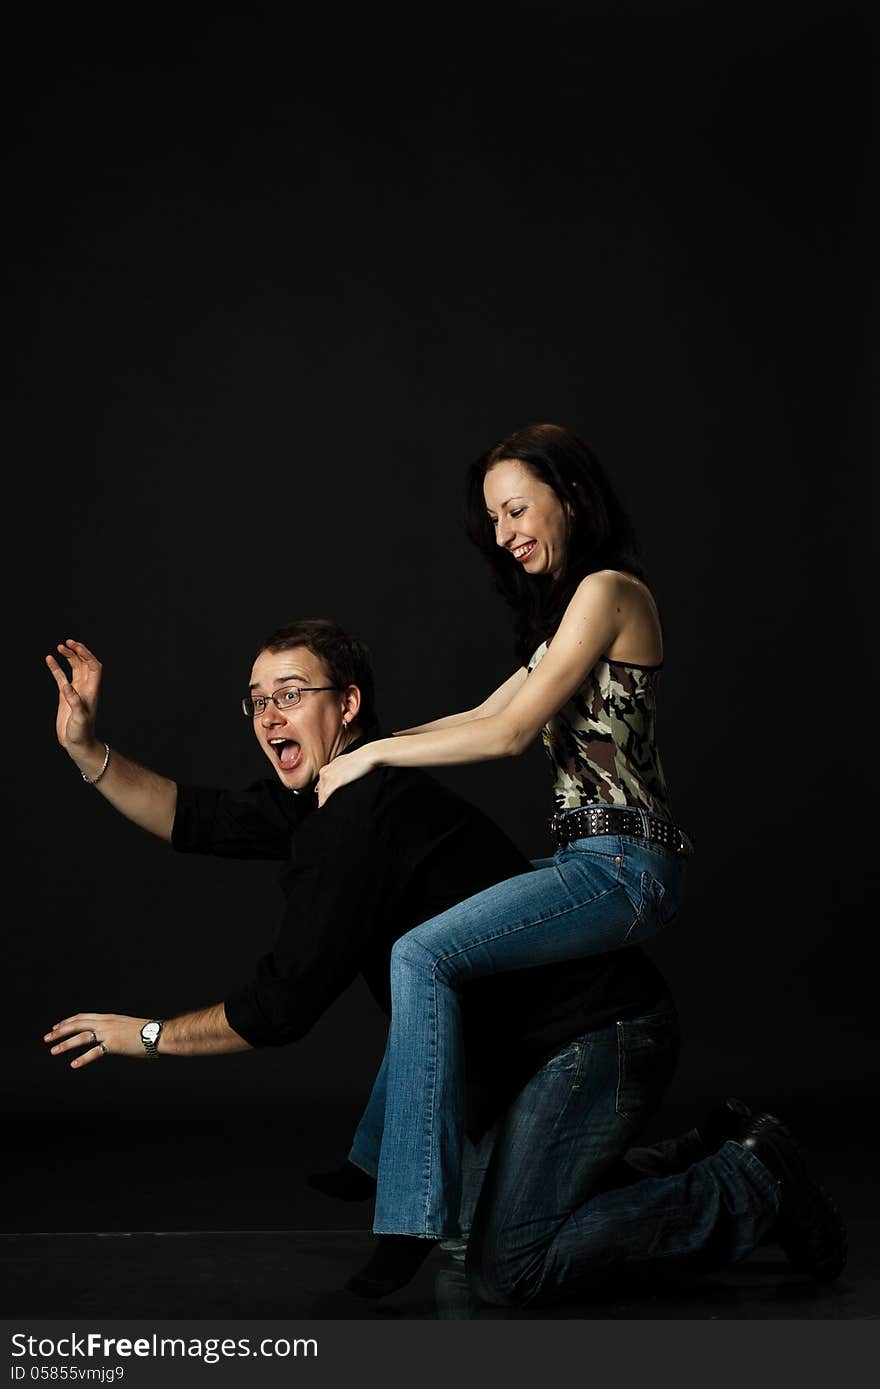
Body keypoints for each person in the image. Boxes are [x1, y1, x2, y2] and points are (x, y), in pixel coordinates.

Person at [43, 621, 846, 1307]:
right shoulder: (327, 795)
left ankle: (749, 1182)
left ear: (348, 704)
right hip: (513, 1058)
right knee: (473, 1232)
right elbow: (195, 817)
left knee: (509, 1267)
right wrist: (88, 749)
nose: (268, 714)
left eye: (290, 693)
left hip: (596, 1039)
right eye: (257, 699)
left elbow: (277, 1011)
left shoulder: (365, 817)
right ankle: (689, 1157)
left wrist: (140, 1035)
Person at [310, 423, 842, 1299]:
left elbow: (511, 735)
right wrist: (368, 747)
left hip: (626, 866)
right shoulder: (568, 616)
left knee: (423, 954)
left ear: (571, 496)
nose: (505, 532)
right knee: (459, 975)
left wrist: (370, 759)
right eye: (492, 519)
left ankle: (401, 1207)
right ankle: (708, 1162)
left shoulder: (609, 590)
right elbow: (484, 707)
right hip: (588, 858)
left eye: (516, 508)